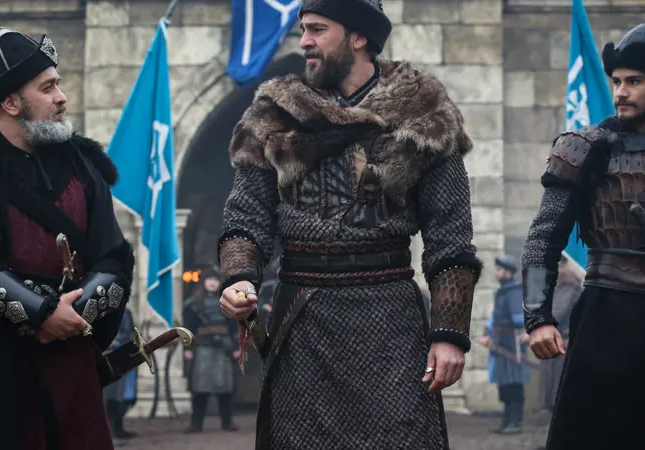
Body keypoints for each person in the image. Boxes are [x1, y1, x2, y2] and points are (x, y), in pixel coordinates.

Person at [216, 0, 481, 448]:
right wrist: (239, 277)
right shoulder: (273, 115)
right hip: (303, 319)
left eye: (317, 30)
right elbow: (246, 215)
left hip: (391, 319)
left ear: (359, 37)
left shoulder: (424, 115)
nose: (304, 42)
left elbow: (450, 235)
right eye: (304, 29)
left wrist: (449, 334)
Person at [0, 22, 134, 450]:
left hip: (74, 367)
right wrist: (39, 313)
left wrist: (71, 315)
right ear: (10, 102)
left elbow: (114, 258)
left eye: (59, 84)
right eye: (48, 87)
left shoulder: (83, 166)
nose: (62, 97)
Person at [521, 23, 645, 450]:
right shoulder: (585, 149)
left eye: (634, 82)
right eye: (617, 81)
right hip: (606, 321)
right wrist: (538, 317)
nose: (621, 92)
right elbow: (542, 240)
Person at [183, 267, 240, 433]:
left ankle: (227, 422)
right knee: (200, 389)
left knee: (225, 389)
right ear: (204, 282)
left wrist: (236, 347)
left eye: (215, 280)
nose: (212, 283)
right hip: (203, 348)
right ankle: (196, 424)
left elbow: (233, 327)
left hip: (223, 349)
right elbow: (189, 328)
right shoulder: (193, 304)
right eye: (209, 280)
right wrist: (188, 348)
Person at [478, 255, 528, 435]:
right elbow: (495, 318)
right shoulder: (502, 292)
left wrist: (528, 331)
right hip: (500, 344)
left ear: (508, 272)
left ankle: (515, 423)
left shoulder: (515, 291)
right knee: (504, 384)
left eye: (500, 270)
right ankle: (507, 421)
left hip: (513, 344)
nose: (497, 273)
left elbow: (520, 318)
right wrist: (487, 334)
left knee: (514, 383)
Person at [538, 253, 582, 412]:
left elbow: (558, 312)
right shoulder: (556, 285)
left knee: (559, 383)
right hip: (555, 340)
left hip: (564, 340)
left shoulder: (568, 286)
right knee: (552, 382)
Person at [104, 308, 138, 440]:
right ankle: (111, 432)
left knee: (124, 395)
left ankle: (119, 428)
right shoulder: (103, 309)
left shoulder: (127, 312)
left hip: (125, 352)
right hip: (109, 354)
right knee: (111, 395)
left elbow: (131, 331)